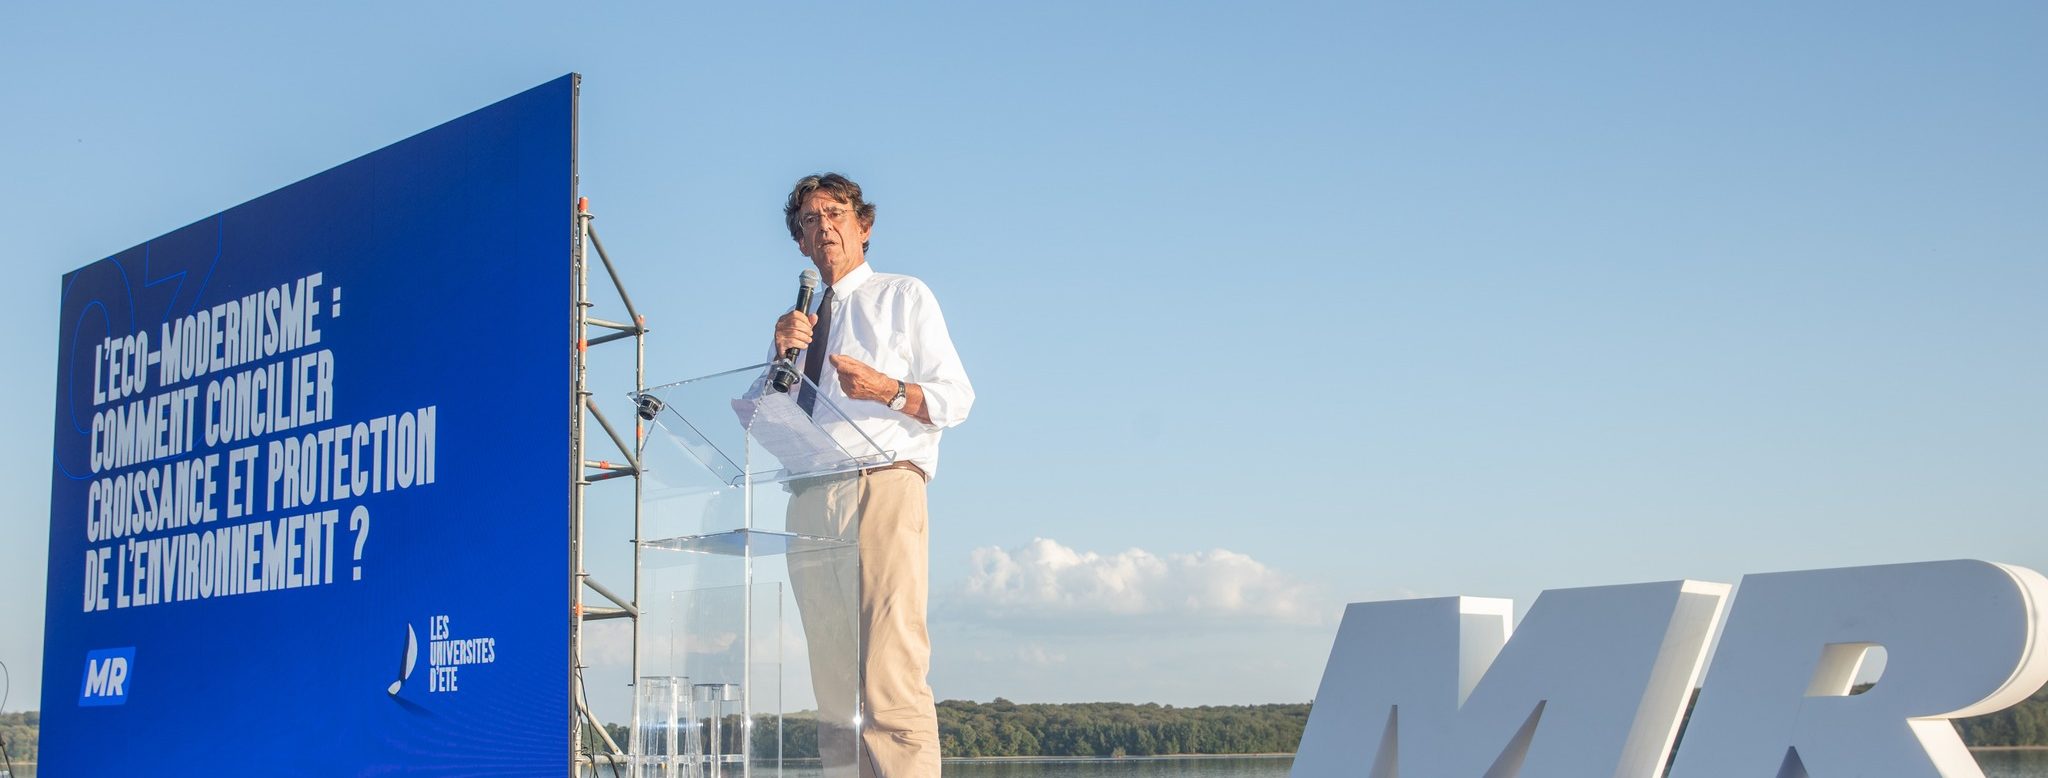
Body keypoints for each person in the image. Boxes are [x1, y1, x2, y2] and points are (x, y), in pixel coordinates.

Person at [773, 172, 972, 778]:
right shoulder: (798, 323)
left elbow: (956, 399)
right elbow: (774, 421)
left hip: (881, 484)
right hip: (808, 494)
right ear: (801, 245)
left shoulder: (903, 295)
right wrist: (778, 355)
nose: (823, 225)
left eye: (834, 213)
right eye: (809, 220)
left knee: (889, 671)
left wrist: (888, 390)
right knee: (834, 686)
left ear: (864, 226)